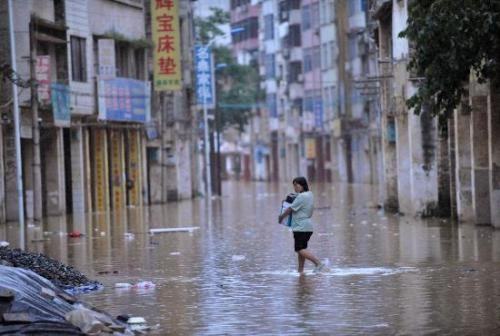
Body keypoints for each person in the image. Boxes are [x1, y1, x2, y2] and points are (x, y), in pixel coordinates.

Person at [279, 176, 326, 274]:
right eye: (294, 185)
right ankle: (300, 271)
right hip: (307, 227)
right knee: (301, 250)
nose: (295, 187)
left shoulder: (301, 197)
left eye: (296, 185)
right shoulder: (310, 194)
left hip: (300, 227)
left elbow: (290, 209)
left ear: (302, 185)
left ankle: (318, 263)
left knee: (299, 249)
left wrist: (281, 217)